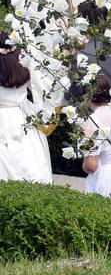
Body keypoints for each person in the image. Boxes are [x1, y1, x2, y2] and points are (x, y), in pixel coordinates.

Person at [0, 38, 52, 184]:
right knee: (31, 155)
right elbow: (39, 87)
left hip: (3, 117)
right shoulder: (22, 63)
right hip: (24, 115)